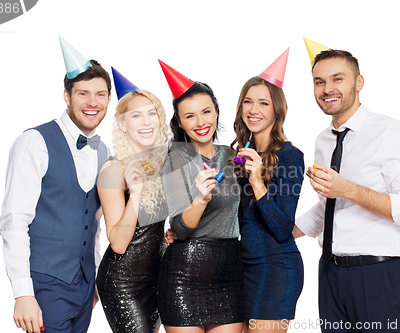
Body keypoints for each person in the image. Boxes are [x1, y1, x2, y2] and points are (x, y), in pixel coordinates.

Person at [293, 46, 400, 332]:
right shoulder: (323, 140)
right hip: (329, 273)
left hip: (377, 276)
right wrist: (276, 235)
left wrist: (348, 189)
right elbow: (328, 207)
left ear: (359, 83)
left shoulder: (389, 131)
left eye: (337, 79)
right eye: (319, 82)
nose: (327, 88)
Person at [0, 37, 111, 333]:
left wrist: (95, 276)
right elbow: (14, 220)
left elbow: (94, 222)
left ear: (109, 100)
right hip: (46, 284)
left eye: (100, 94)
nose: (92, 102)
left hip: (86, 288)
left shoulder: (103, 151)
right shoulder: (34, 142)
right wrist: (23, 293)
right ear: (66, 95)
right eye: (83, 93)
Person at [157, 60, 244, 333]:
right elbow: (179, 228)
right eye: (190, 116)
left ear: (217, 112)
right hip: (184, 276)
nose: (201, 122)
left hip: (229, 274)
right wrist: (200, 200)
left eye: (206, 112)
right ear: (180, 122)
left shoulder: (231, 156)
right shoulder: (175, 159)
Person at [232, 49, 304, 333]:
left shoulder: (290, 157)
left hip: (276, 268)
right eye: (248, 102)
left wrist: (259, 182)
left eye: (263, 103)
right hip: (242, 268)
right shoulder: (239, 155)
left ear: (277, 109)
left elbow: (283, 227)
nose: (254, 110)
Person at [95, 67, 170, 333]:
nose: (146, 121)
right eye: (136, 115)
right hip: (123, 284)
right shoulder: (114, 170)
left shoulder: (161, 164)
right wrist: (136, 193)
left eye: (152, 113)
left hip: (156, 280)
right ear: (122, 124)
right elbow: (117, 242)